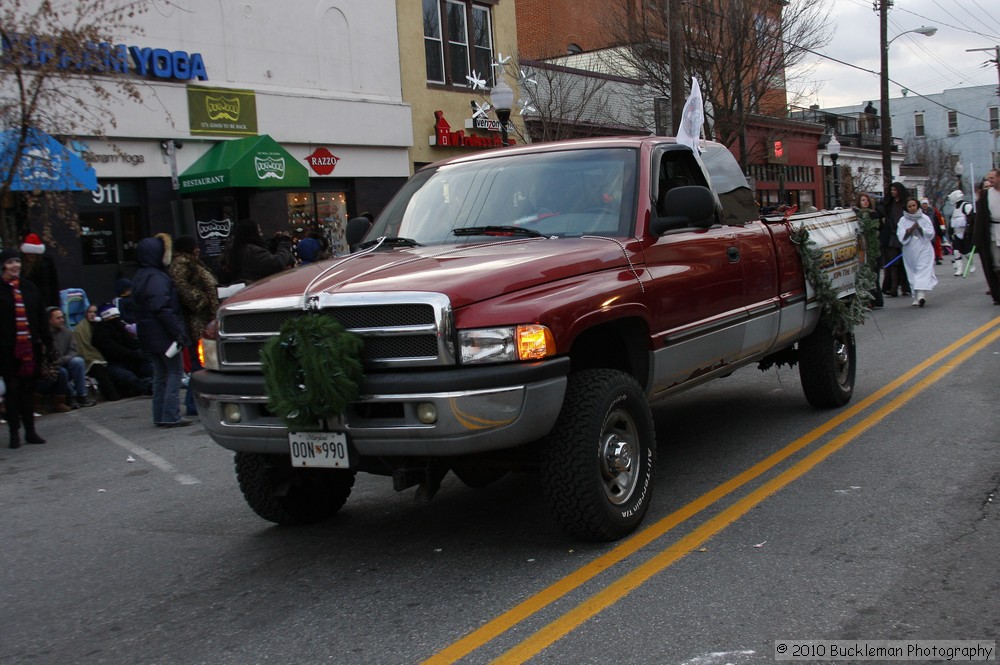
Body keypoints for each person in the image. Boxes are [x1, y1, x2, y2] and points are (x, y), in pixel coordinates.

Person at [132, 233, 192, 427]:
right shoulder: (157, 278)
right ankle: (170, 414)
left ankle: (160, 414)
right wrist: (178, 332)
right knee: (174, 372)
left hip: (148, 334)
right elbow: (162, 308)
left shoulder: (140, 276)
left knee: (160, 374)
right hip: (163, 334)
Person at [0, 249, 49, 447]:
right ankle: (14, 433)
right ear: (3, 265)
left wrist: (47, 341)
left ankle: (30, 431)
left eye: (17, 262)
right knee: (12, 390)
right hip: (6, 348)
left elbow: (40, 316)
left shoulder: (29, 288)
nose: (15, 266)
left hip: (30, 347)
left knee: (28, 390)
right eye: (11, 262)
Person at [167, 235, 218, 416]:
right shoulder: (181, 265)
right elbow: (184, 291)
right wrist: (204, 299)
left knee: (201, 363)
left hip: (202, 319)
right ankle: (192, 403)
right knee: (199, 363)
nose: (198, 249)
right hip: (196, 321)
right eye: (195, 246)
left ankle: (195, 402)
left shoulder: (191, 263)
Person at [92, 302, 152, 397]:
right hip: (111, 363)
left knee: (145, 359)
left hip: (128, 358)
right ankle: (147, 387)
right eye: (113, 316)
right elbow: (113, 349)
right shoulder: (100, 332)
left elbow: (130, 342)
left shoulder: (119, 326)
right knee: (128, 377)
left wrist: (141, 350)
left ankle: (152, 380)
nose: (116, 319)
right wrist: (134, 354)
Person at [45, 306, 97, 407]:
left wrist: (63, 359)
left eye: (62, 317)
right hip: (52, 366)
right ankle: (71, 396)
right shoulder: (46, 335)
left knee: (78, 362)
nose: (62, 320)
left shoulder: (67, 332)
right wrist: (57, 362)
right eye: (58, 318)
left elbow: (74, 350)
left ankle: (82, 396)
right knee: (61, 372)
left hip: (65, 361)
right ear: (50, 320)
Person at [219, 218, 294, 285]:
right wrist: (284, 242)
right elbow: (277, 263)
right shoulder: (252, 251)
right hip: (257, 287)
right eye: (259, 232)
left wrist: (274, 242)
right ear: (252, 234)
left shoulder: (237, 249)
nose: (261, 234)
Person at [73, 304, 120, 401]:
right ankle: (112, 395)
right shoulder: (80, 328)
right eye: (90, 312)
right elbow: (82, 347)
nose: (92, 314)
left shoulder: (102, 325)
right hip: (90, 357)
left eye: (94, 312)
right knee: (98, 368)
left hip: (104, 354)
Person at [897, 197, 938, 307]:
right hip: (910, 249)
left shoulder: (924, 218)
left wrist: (920, 229)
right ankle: (915, 295)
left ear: (917, 205)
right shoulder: (903, 220)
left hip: (924, 247)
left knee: (922, 269)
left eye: (913, 205)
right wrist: (909, 231)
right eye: (909, 206)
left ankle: (921, 295)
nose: (912, 208)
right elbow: (900, 234)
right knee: (912, 272)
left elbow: (931, 232)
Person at [974, 168, 1000, 305]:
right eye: (988, 178)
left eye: (992, 178)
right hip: (993, 231)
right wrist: (977, 238)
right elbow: (980, 218)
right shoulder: (986, 195)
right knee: (996, 263)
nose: (989, 181)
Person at [880, 181, 910, 298]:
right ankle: (893, 288)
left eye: (895, 190)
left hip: (904, 235)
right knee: (893, 263)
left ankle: (905, 287)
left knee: (904, 262)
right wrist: (883, 217)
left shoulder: (905, 203)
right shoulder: (888, 203)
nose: (893, 192)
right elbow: (880, 207)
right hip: (892, 235)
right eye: (891, 190)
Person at [855, 192, 883, 308]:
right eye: (863, 200)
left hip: (872, 248)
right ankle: (866, 300)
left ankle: (875, 299)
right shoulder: (856, 215)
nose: (865, 202)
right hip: (861, 248)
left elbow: (875, 228)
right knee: (863, 274)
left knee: (873, 274)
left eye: (866, 200)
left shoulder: (874, 214)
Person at [19, 232, 60, 309]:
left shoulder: (46, 261)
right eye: (28, 253)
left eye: (33, 253)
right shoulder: (21, 263)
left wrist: (55, 305)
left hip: (45, 301)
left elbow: (54, 282)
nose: (30, 255)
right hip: (27, 300)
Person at [946, 189, 976, 278]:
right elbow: (952, 221)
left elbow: (971, 219)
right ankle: (959, 269)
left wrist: (970, 232)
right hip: (957, 233)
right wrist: (950, 232)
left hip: (966, 233)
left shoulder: (966, 206)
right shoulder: (955, 208)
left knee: (967, 253)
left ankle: (971, 264)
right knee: (956, 251)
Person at [919, 197, 946, 264]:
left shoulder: (933, 211)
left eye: (925, 204)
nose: (924, 205)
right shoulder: (919, 212)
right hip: (923, 231)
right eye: (923, 204)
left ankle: (936, 258)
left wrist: (941, 229)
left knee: (935, 245)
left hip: (933, 230)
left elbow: (939, 220)